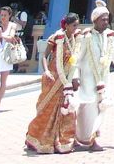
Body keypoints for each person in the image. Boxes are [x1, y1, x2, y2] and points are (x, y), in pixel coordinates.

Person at [73, 0, 114, 150]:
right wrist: (75, 77)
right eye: (103, 19)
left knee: (101, 108)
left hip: (103, 79)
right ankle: (79, 137)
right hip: (87, 80)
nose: (106, 22)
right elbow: (76, 58)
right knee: (87, 109)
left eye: (107, 19)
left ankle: (92, 139)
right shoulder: (86, 37)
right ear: (95, 20)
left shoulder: (110, 36)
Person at [25, 13, 81, 154]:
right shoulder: (57, 37)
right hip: (53, 78)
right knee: (48, 110)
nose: (76, 28)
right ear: (66, 25)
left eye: (77, 25)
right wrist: (46, 71)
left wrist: (74, 77)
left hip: (66, 79)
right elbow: (44, 56)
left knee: (66, 109)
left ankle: (63, 141)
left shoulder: (76, 38)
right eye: (73, 25)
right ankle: (39, 139)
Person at [0, 6, 19, 110]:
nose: (3, 17)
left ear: (9, 15)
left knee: (3, 80)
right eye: (1, 15)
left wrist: (1, 35)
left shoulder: (12, 25)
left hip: (7, 54)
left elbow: (11, 38)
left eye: (5, 15)